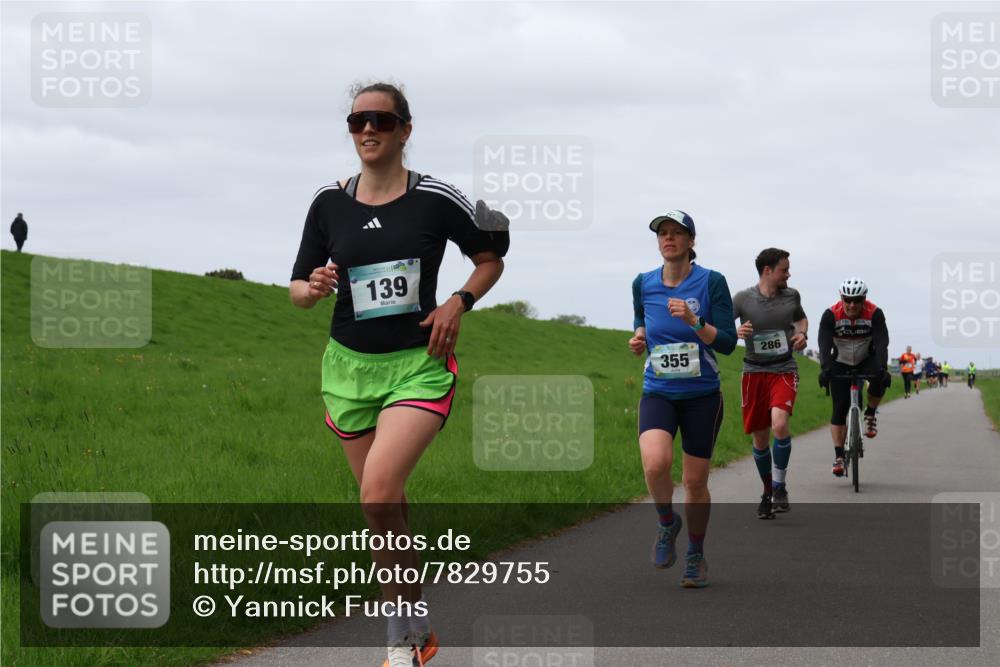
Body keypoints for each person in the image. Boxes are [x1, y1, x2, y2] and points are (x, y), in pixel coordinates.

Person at [289, 82, 509, 667]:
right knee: (386, 509)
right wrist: (309, 288)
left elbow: (490, 258)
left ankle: (399, 640)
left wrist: (457, 303)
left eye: (382, 121)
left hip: (418, 365)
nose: (368, 129)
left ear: (404, 130)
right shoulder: (327, 202)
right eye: (358, 119)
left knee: (379, 492)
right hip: (347, 369)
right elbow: (297, 289)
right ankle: (419, 626)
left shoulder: (435, 198)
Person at [629, 210, 737, 588]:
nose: (668, 238)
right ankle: (665, 523)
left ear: (692, 242)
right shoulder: (642, 283)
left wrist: (695, 322)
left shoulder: (712, 282)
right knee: (656, 464)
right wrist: (639, 338)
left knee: (694, 482)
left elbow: (726, 342)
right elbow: (641, 321)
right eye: (663, 233)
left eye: (677, 233)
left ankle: (695, 553)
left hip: (702, 396)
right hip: (658, 390)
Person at [732, 248, 808, 518]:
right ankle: (767, 491)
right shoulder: (743, 299)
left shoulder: (791, 296)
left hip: (784, 369)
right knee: (761, 438)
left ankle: (780, 486)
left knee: (780, 423)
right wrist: (736, 331)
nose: (788, 274)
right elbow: (720, 327)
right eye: (784, 269)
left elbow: (800, 319)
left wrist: (801, 334)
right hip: (753, 372)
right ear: (767, 271)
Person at [817, 278, 890, 477]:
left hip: (865, 357)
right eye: (847, 300)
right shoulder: (831, 314)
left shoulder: (874, 313)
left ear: (864, 299)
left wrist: (883, 368)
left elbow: (882, 343)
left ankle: (870, 413)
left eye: (857, 301)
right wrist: (824, 369)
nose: (851, 305)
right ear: (842, 298)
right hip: (840, 359)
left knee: (879, 378)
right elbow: (823, 344)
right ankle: (839, 456)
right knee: (839, 408)